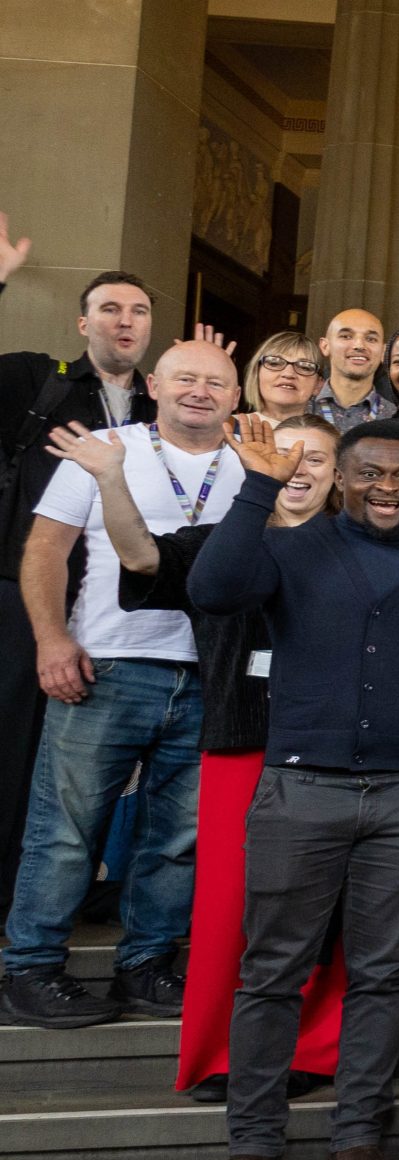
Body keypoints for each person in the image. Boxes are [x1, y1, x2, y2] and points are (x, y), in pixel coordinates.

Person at [175, 418, 399, 1160]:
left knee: (381, 975)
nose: (389, 487)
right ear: (343, 479)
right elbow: (210, 590)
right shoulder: (289, 548)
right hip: (299, 790)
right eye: (372, 474)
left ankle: (357, 1140)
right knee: (272, 971)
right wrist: (259, 487)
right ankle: (253, 1150)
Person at [83, 413, 343, 1095]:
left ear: (339, 471)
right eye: (283, 451)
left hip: (331, 753)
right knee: (230, 907)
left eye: (316, 455)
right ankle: (222, 1054)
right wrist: (112, 479)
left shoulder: (355, 546)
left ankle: (311, 1050)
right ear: (253, 456)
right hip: (238, 744)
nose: (298, 465)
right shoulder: (221, 542)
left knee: (318, 908)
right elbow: (141, 559)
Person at [4, 341, 244, 1028]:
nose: (200, 391)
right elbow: (47, 546)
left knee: (179, 836)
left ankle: (147, 964)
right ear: (156, 386)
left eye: (215, 382)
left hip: (207, 673)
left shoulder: (249, 463)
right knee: (66, 830)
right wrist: (53, 638)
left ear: (235, 395)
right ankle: (30, 967)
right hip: (108, 662)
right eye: (185, 379)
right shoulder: (109, 445)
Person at [0, 267, 159, 943]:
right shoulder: (40, 382)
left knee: (79, 774)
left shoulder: (162, 410)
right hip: (23, 600)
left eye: (140, 311)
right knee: (11, 753)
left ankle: (56, 906)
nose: (126, 321)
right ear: (82, 322)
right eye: (111, 309)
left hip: (115, 613)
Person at [309, 310, 399, 433]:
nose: (359, 345)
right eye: (346, 336)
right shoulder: (300, 408)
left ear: (383, 352)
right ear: (325, 346)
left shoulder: (395, 417)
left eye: (371, 339)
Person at [242, 332, 321, 423]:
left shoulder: (329, 436)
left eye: (304, 367)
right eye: (274, 363)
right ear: (256, 373)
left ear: (318, 384)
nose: (288, 374)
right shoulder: (227, 429)